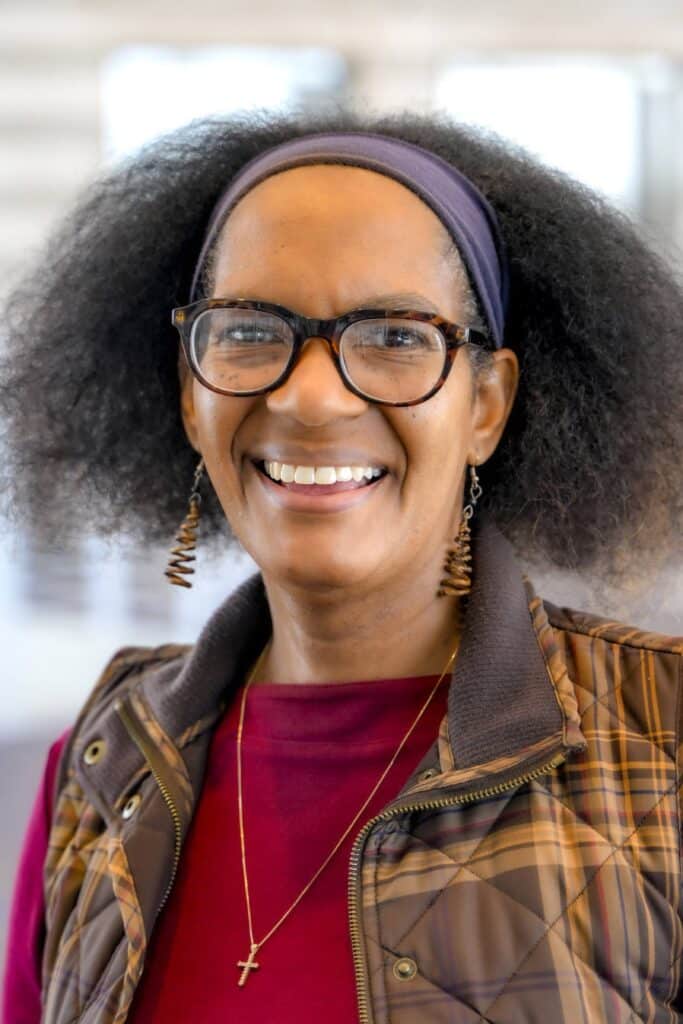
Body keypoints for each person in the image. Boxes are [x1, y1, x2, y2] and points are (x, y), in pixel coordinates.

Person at [1, 110, 682, 1024]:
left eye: (396, 337)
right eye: (247, 330)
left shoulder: (663, 745)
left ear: (486, 404)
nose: (310, 396)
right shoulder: (98, 761)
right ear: (190, 398)